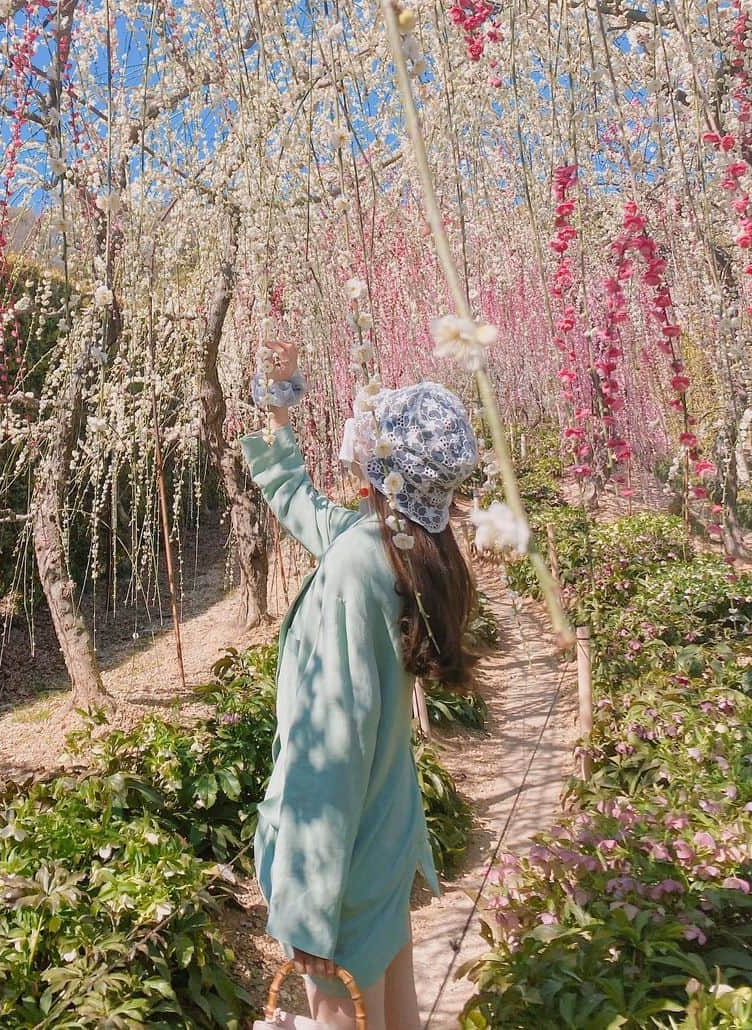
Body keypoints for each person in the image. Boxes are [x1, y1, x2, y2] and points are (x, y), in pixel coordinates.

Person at [241, 339, 481, 1030]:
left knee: (347, 1017)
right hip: (382, 833)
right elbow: (296, 500)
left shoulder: (358, 562)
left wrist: (310, 902)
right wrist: (276, 400)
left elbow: (333, 740)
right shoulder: (397, 548)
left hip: (341, 857)